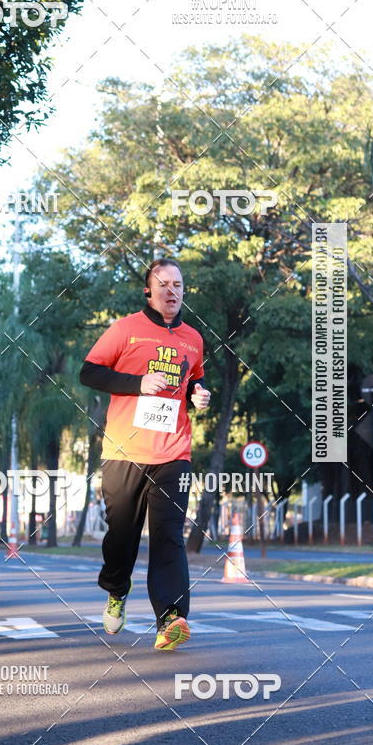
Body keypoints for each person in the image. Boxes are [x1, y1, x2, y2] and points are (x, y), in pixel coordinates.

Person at [80, 258, 211, 651]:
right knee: (122, 536)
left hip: (174, 452)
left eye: (179, 284)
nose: (172, 291)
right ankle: (117, 589)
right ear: (149, 291)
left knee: (169, 536)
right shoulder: (125, 329)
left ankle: (170, 618)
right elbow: (89, 373)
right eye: (164, 284)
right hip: (125, 451)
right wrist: (138, 383)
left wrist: (198, 394)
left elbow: (195, 379)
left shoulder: (193, 338)